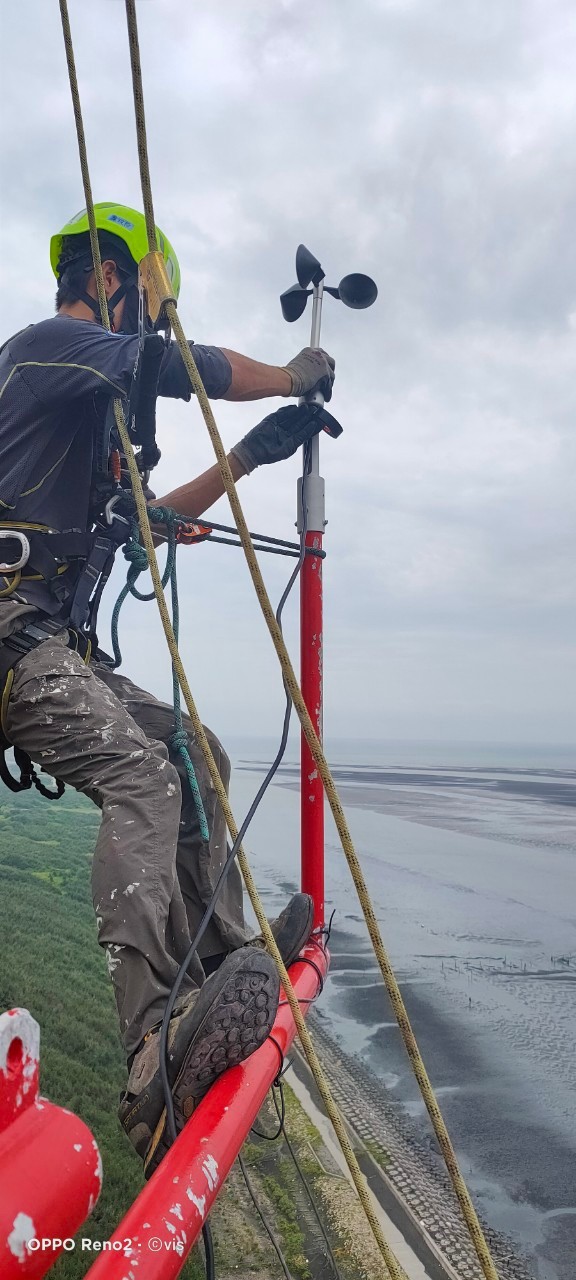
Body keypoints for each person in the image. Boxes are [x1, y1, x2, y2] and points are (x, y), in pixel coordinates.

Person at [0, 202, 335, 1177]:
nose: (154, 324)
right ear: (121, 281)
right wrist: (290, 374)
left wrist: (253, 455)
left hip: (56, 649)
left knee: (200, 753)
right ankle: (151, 1051)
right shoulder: (51, 348)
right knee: (148, 780)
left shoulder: (82, 418)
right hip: (15, 645)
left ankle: (223, 955)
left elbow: (151, 514)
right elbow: (174, 368)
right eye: (155, 305)